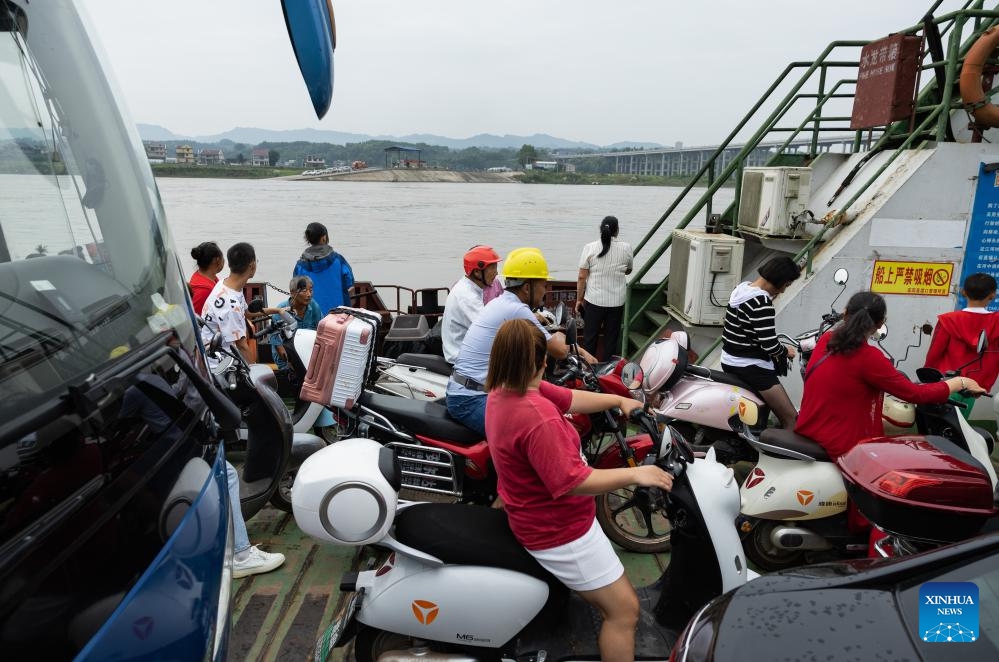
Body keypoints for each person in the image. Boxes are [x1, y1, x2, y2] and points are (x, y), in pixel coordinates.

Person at [485, 319, 673, 662]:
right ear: (542, 361)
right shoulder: (538, 417)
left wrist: (617, 399)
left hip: (536, 516)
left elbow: (570, 398)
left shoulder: (504, 390)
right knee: (625, 612)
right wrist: (636, 475)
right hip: (560, 531)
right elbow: (574, 483)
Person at [797, 291, 985, 460]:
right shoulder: (869, 357)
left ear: (845, 313)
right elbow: (916, 394)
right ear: (880, 323)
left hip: (809, 428)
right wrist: (961, 381)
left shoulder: (826, 340)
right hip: (840, 443)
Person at [446, 247, 596, 437]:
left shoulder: (502, 302)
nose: (544, 292)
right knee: (533, 434)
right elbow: (559, 350)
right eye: (542, 285)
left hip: (473, 390)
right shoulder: (516, 309)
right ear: (527, 287)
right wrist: (584, 353)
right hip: (472, 399)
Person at [720, 256, 802, 429]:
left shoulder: (741, 289)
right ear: (780, 281)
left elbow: (751, 332)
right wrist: (787, 352)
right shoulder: (761, 302)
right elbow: (770, 345)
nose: (784, 291)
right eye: (786, 285)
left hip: (729, 359)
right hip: (750, 367)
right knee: (791, 418)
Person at [924, 272, 999, 417]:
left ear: (964, 292)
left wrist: (927, 379)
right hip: (972, 387)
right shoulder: (996, 322)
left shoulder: (948, 320)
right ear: (992, 295)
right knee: (959, 429)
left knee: (938, 428)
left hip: (946, 384)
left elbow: (934, 353)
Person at [200, 242, 285, 367]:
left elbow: (247, 313)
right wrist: (255, 374)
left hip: (223, 354)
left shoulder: (227, 285)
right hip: (220, 365)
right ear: (252, 265)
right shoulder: (230, 303)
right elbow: (242, 346)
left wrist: (278, 311)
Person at [575, 216, 634, 360]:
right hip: (616, 302)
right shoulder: (626, 248)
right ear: (617, 230)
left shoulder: (590, 247)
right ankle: (607, 372)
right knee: (611, 339)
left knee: (590, 338)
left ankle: (589, 370)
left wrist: (579, 299)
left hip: (594, 300)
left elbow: (582, 276)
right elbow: (628, 270)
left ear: (600, 229)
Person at [441, 245, 502, 364]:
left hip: (469, 355)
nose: (496, 273)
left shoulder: (468, 288)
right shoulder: (467, 297)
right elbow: (491, 329)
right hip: (465, 361)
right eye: (493, 268)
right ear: (478, 272)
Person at [292, 222, 354, 315]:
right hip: (338, 315)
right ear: (324, 238)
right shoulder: (338, 260)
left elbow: (295, 290)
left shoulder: (300, 266)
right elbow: (350, 282)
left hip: (311, 317)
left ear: (307, 239)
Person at [269, 275, 323, 371]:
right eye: (304, 291)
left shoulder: (314, 307)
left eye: (310, 290)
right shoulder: (280, 312)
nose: (309, 294)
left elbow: (321, 332)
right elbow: (278, 346)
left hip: (307, 352)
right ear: (293, 293)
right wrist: (293, 364)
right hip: (287, 358)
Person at [188, 241, 224, 314]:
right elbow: (196, 319)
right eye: (222, 257)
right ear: (217, 260)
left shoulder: (203, 276)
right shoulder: (204, 291)